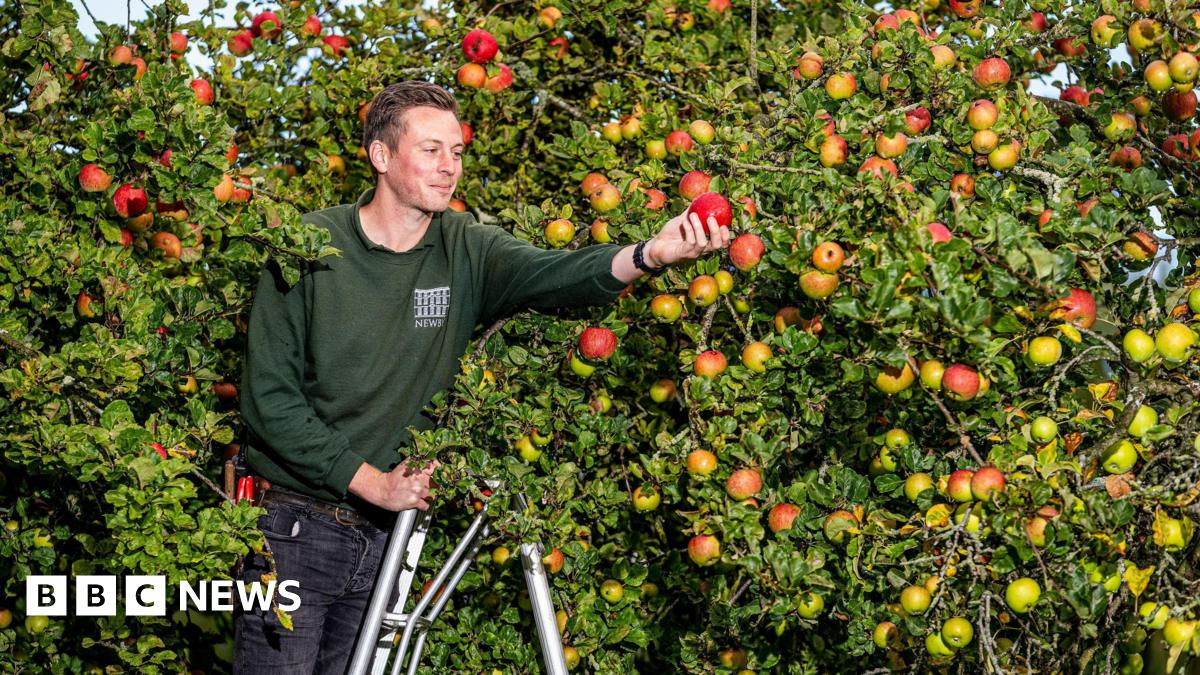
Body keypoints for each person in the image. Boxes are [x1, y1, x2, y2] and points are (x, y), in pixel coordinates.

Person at [232, 80, 731, 674]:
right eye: (431, 150)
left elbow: (555, 273)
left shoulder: (464, 247)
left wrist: (652, 253)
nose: (450, 168)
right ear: (382, 157)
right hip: (290, 532)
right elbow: (269, 402)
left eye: (458, 153)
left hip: (387, 541)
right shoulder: (309, 248)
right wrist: (371, 482)